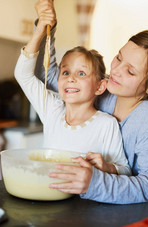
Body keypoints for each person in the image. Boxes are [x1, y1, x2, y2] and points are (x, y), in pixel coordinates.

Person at [34, 0, 148, 204]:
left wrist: (97, 182)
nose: (115, 70)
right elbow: (47, 76)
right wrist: (45, 26)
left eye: (130, 71)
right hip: (71, 201)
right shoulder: (104, 87)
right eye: (118, 57)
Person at [14, 9, 131, 176]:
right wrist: (40, 29)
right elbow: (23, 75)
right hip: (51, 193)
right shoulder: (52, 110)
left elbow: (125, 169)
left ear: (100, 87)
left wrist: (108, 167)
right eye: (66, 72)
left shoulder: (106, 124)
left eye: (81, 73)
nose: (71, 78)